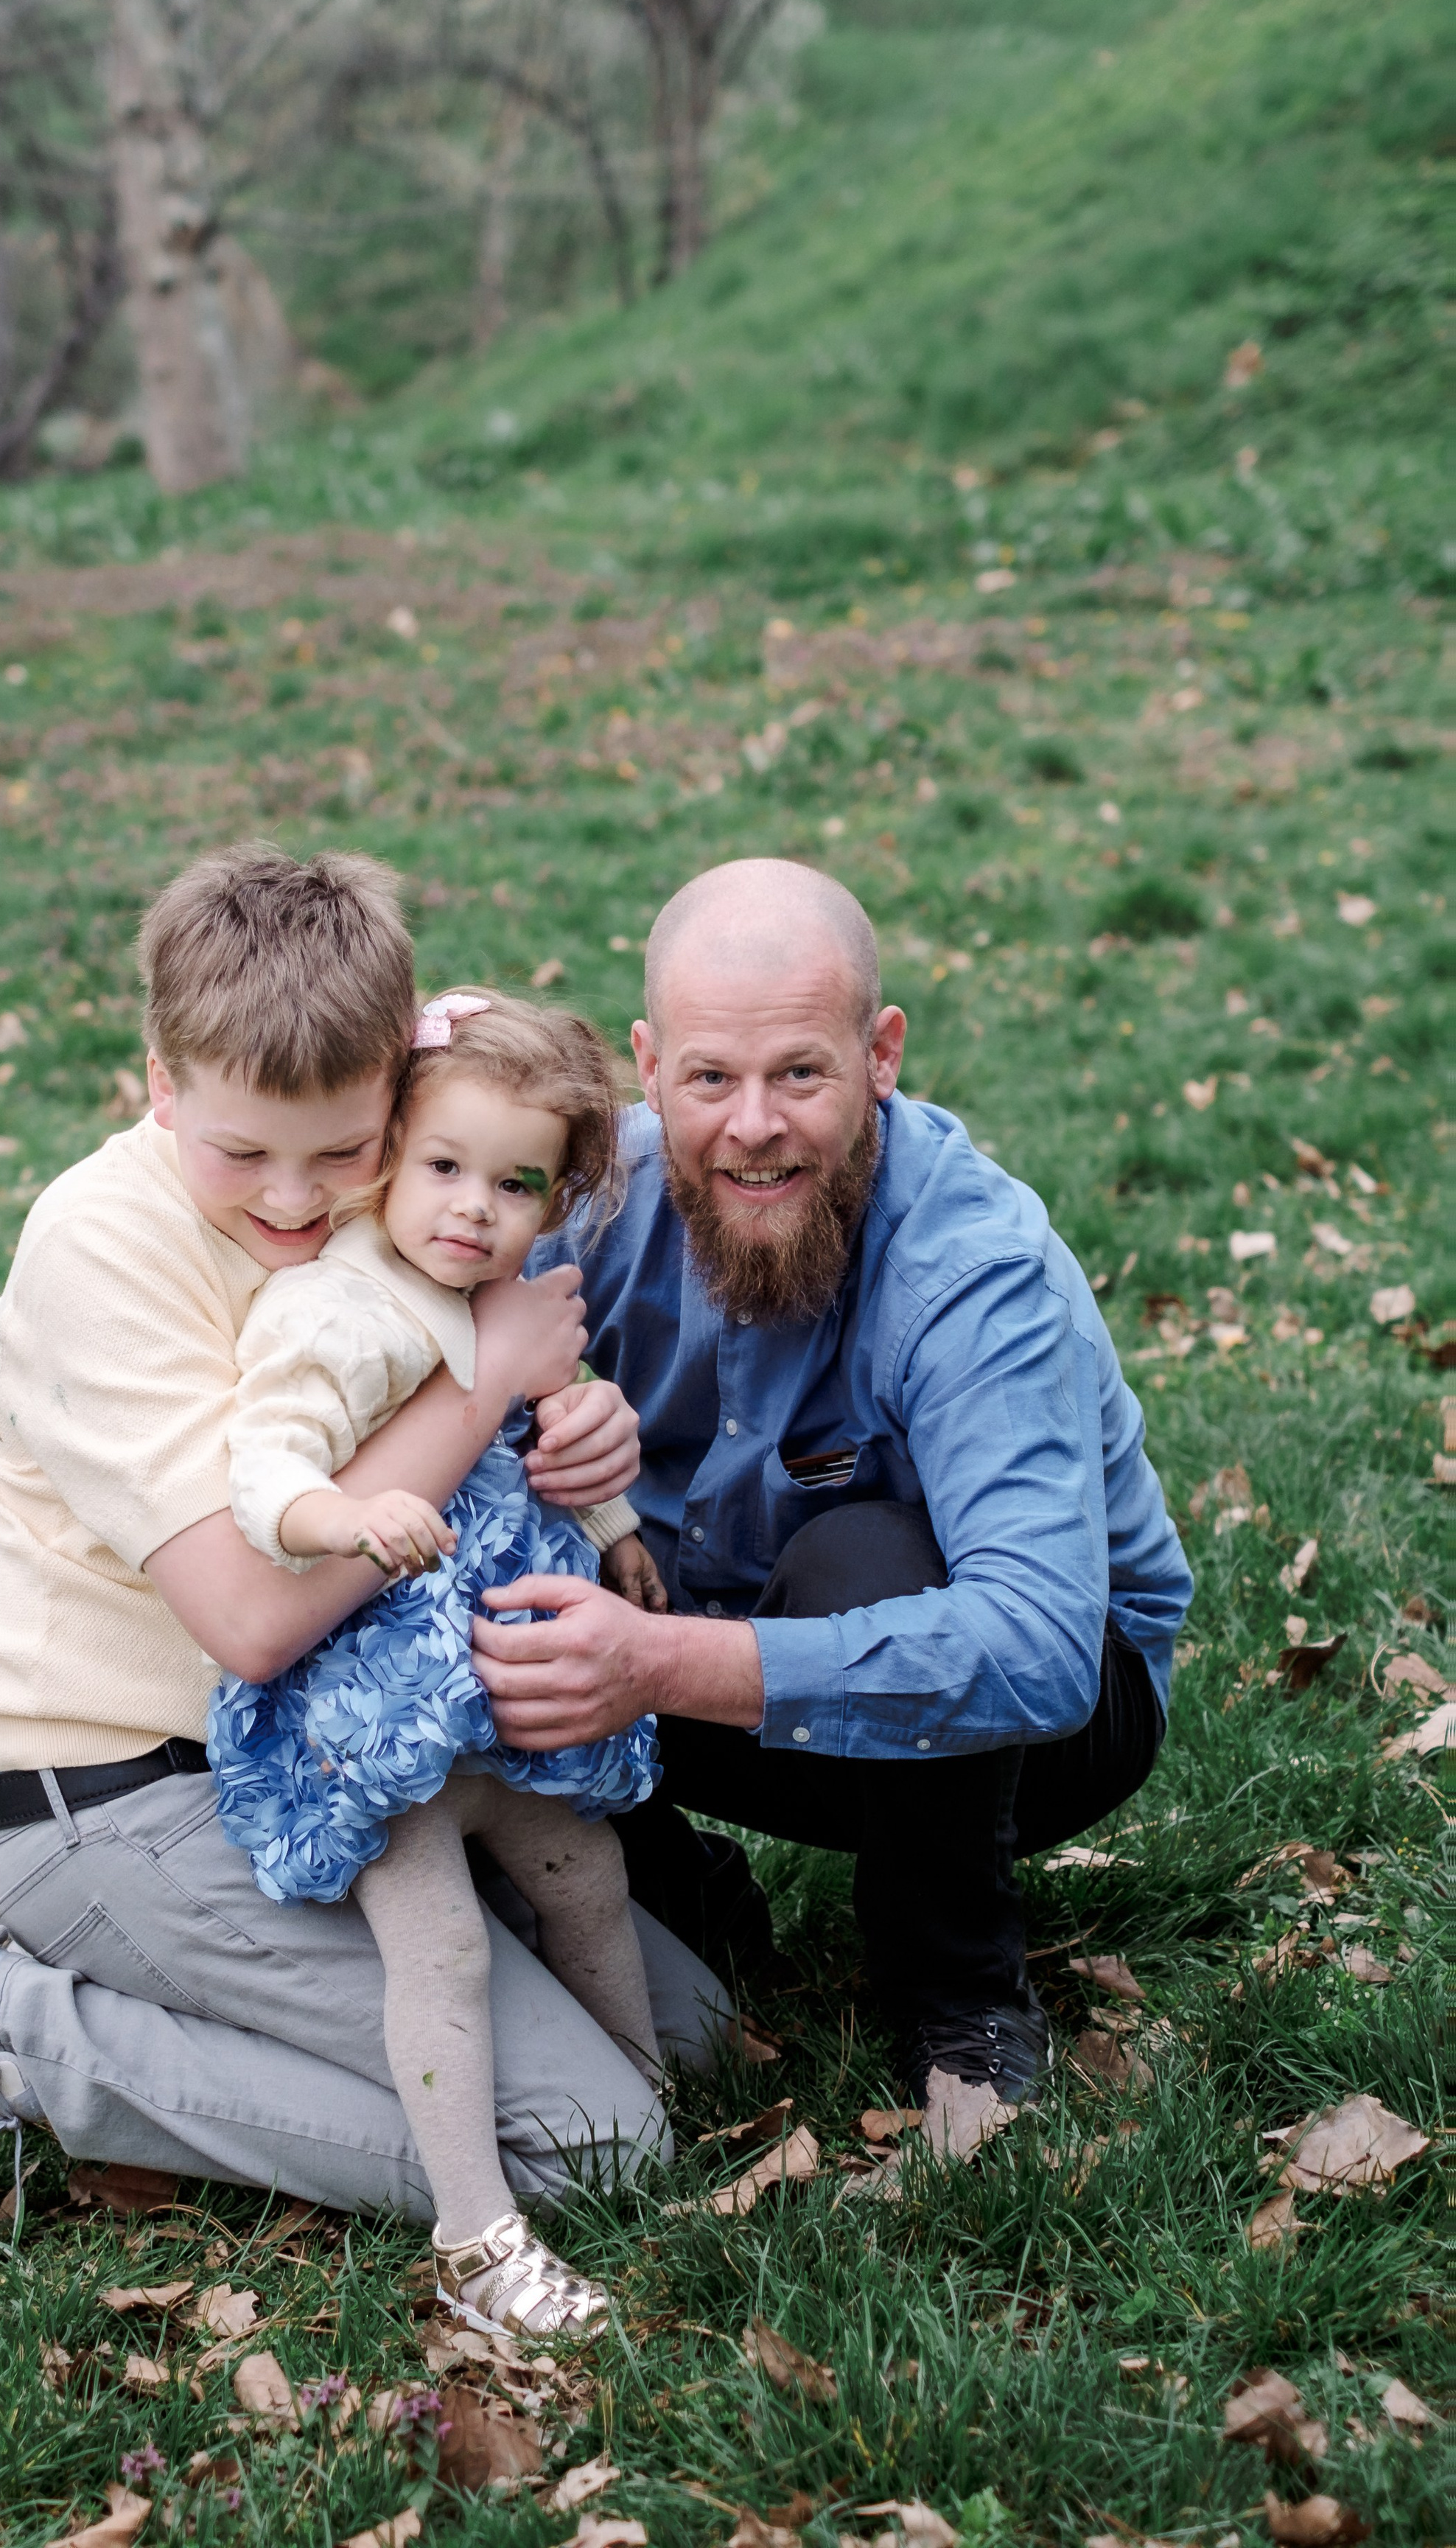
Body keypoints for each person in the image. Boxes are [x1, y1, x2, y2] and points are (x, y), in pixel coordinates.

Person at [0, 846, 729, 2266]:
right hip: (120, 1793)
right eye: (241, 1153)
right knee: (597, 2143)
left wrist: (573, 1433)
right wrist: (483, 1386)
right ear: (161, 1084)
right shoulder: (102, 1247)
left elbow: (493, 1203)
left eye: (343, 1152)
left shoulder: (398, 1174)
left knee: (695, 2034)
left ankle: (229, 2023)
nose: (297, 1201)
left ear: (396, 1087)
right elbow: (252, 1617)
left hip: (353, 1751)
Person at [476, 856, 1192, 2111]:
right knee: (491, 1537)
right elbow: (398, 1267)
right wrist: (532, 1414)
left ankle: (960, 1999)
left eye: (801, 1073)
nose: (754, 1126)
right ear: (649, 1068)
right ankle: (684, 1897)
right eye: (711, 1079)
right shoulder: (589, 1196)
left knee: (871, 1558)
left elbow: (1038, 1650)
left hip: (1055, 1717)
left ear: (882, 1056)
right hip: (717, 1622)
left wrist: (653, 1664)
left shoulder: (977, 1271)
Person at [215, 988, 665, 2339]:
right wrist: (339, 1517)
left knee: (589, 1877)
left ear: (557, 1201)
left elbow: (553, 1434)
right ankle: (475, 2232)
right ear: (390, 1158)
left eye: (515, 1185)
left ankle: (641, 2108)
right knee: (442, 1945)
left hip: (497, 1698)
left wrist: (618, 1529)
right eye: (446, 1168)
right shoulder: (337, 1312)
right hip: (373, 1711)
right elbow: (264, 1464)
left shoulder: (502, 1300)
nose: (473, 1209)